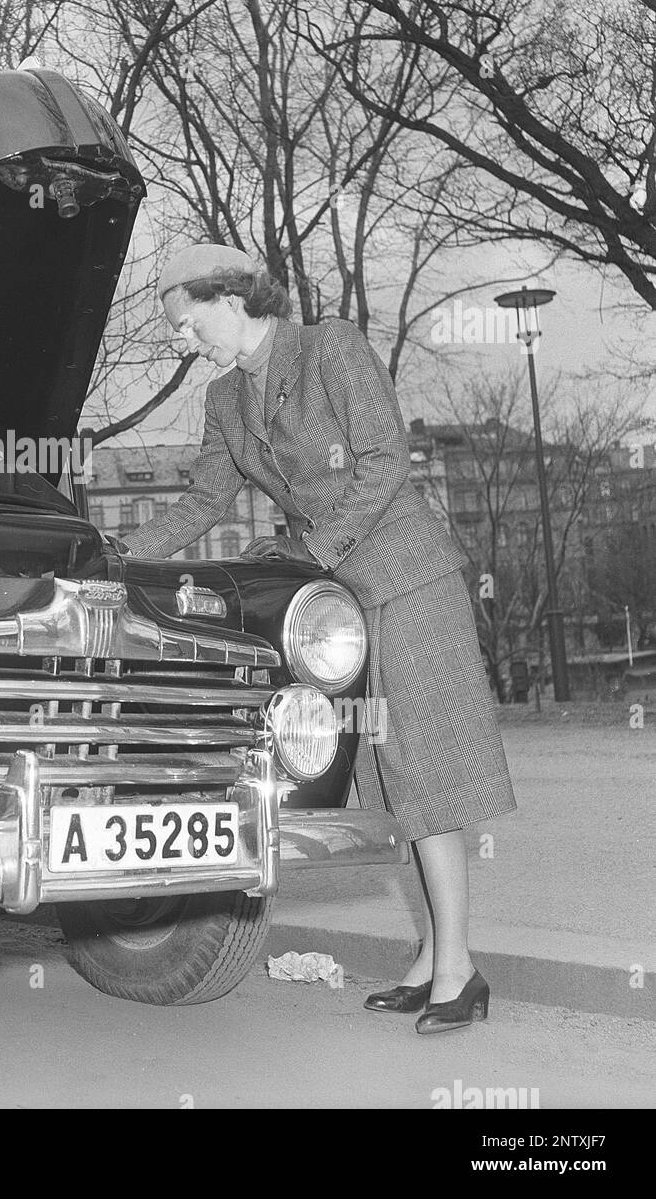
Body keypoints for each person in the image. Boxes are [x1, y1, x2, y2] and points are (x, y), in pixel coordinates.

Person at [118, 243, 516, 1035]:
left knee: (424, 765)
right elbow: (201, 501)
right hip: (337, 605)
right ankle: (434, 955)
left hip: (404, 574)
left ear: (227, 296)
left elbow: (383, 460)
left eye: (185, 321)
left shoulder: (329, 347)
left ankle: (458, 967)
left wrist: (313, 547)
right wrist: (117, 556)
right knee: (384, 772)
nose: (184, 340)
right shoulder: (225, 402)